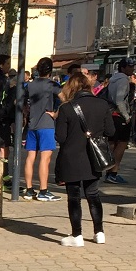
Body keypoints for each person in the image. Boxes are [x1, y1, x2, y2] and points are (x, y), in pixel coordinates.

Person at [54, 69, 116, 247]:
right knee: (93, 194)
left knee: (73, 197)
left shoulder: (66, 108)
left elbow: (61, 137)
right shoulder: (103, 105)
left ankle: (77, 235)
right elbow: (111, 131)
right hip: (94, 156)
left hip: (72, 158)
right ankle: (99, 232)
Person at [22, 57, 60, 201]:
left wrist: (26, 113)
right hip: (46, 123)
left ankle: (29, 189)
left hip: (32, 124)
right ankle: (43, 190)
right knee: (45, 158)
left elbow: (21, 102)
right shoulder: (51, 85)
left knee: (30, 157)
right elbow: (66, 99)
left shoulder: (29, 85)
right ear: (50, 70)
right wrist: (55, 114)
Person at [103, 59, 136, 183]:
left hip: (111, 114)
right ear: (123, 68)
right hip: (119, 115)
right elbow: (119, 100)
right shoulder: (123, 81)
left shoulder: (112, 80)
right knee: (121, 144)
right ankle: (113, 173)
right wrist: (126, 116)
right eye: (130, 66)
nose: (132, 69)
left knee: (112, 144)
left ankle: (108, 171)